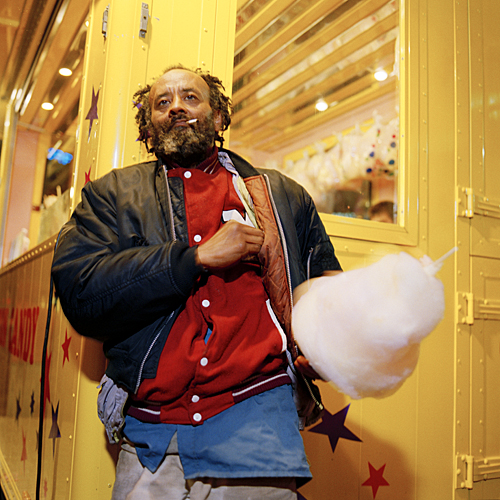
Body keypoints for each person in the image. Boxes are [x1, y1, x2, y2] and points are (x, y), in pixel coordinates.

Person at [51, 65, 342, 500]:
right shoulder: (110, 195)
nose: (176, 109)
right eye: (162, 103)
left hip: (257, 419)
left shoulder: (282, 195)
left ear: (219, 117)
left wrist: (327, 345)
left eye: (190, 97)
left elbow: (326, 288)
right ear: (149, 128)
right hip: (153, 430)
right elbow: (81, 293)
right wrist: (195, 259)